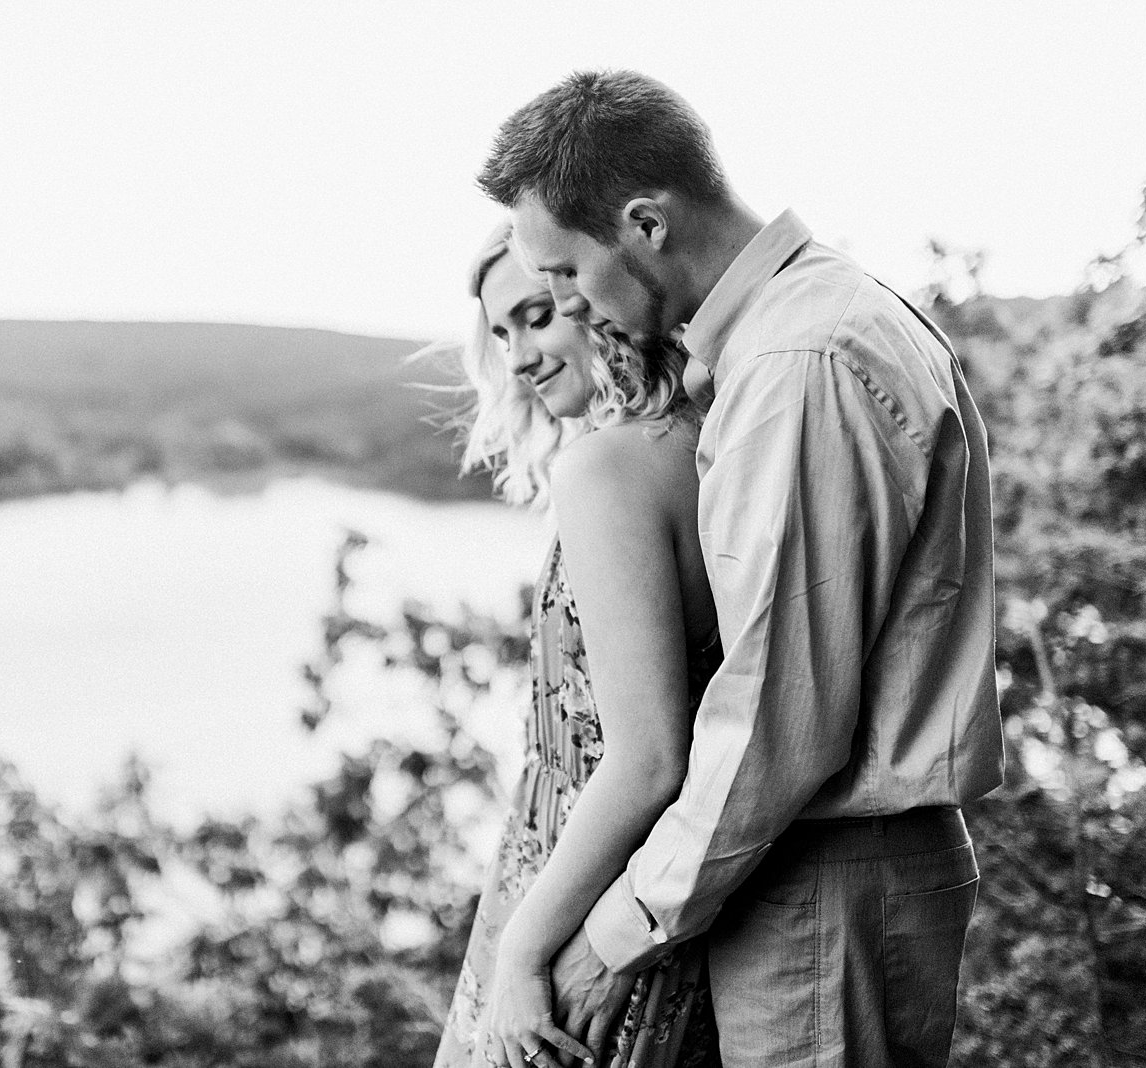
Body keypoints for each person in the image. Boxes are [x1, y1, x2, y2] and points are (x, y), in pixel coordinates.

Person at [476, 70, 1006, 1068]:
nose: (568, 304)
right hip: (812, 878)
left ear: (644, 223)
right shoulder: (794, 333)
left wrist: (616, 932)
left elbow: (777, 713)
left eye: (566, 275)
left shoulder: (800, 362)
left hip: (827, 880)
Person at [431, 220, 723, 1068]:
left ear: (591, 299)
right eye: (500, 333)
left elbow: (647, 758)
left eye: (537, 314)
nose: (517, 357)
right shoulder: (703, 444)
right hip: (655, 907)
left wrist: (521, 951)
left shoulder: (606, 469)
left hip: (577, 905)